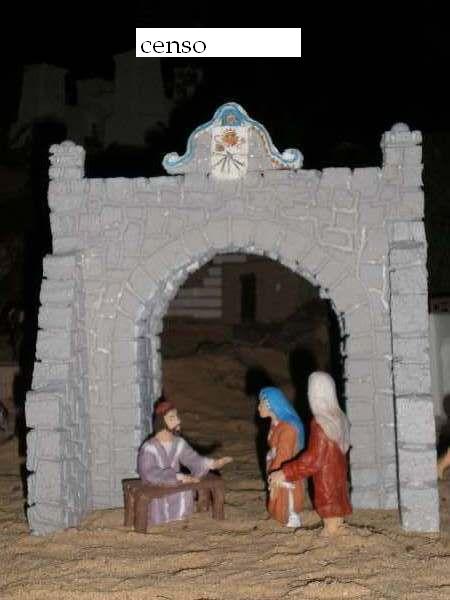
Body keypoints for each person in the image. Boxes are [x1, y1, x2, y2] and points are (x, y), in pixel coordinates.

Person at [268, 372, 352, 536]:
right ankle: (337, 529)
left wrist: (285, 472)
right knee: (337, 508)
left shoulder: (320, 424)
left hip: (326, 478)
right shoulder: (339, 418)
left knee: (330, 514)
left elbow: (313, 460)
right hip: (338, 475)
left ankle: (333, 535)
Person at [137, 398, 232, 525]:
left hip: (178, 487)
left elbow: (193, 459)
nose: (178, 421)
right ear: (161, 422)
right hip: (157, 489)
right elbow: (148, 472)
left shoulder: (179, 443)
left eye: (177, 417)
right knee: (160, 502)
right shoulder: (149, 447)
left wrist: (211, 464)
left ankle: (181, 517)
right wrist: (177, 476)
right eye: (172, 418)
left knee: (185, 492)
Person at [258, 387, 305, 527]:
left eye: (261, 404)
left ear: (271, 406)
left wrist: (276, 469)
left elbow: (284, 454)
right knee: (276, 494)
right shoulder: (275, 425)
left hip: (283, 466)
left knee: (286, 494)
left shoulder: (287, 428)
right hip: (274, 462)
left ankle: (291, 515)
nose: (258, 407)